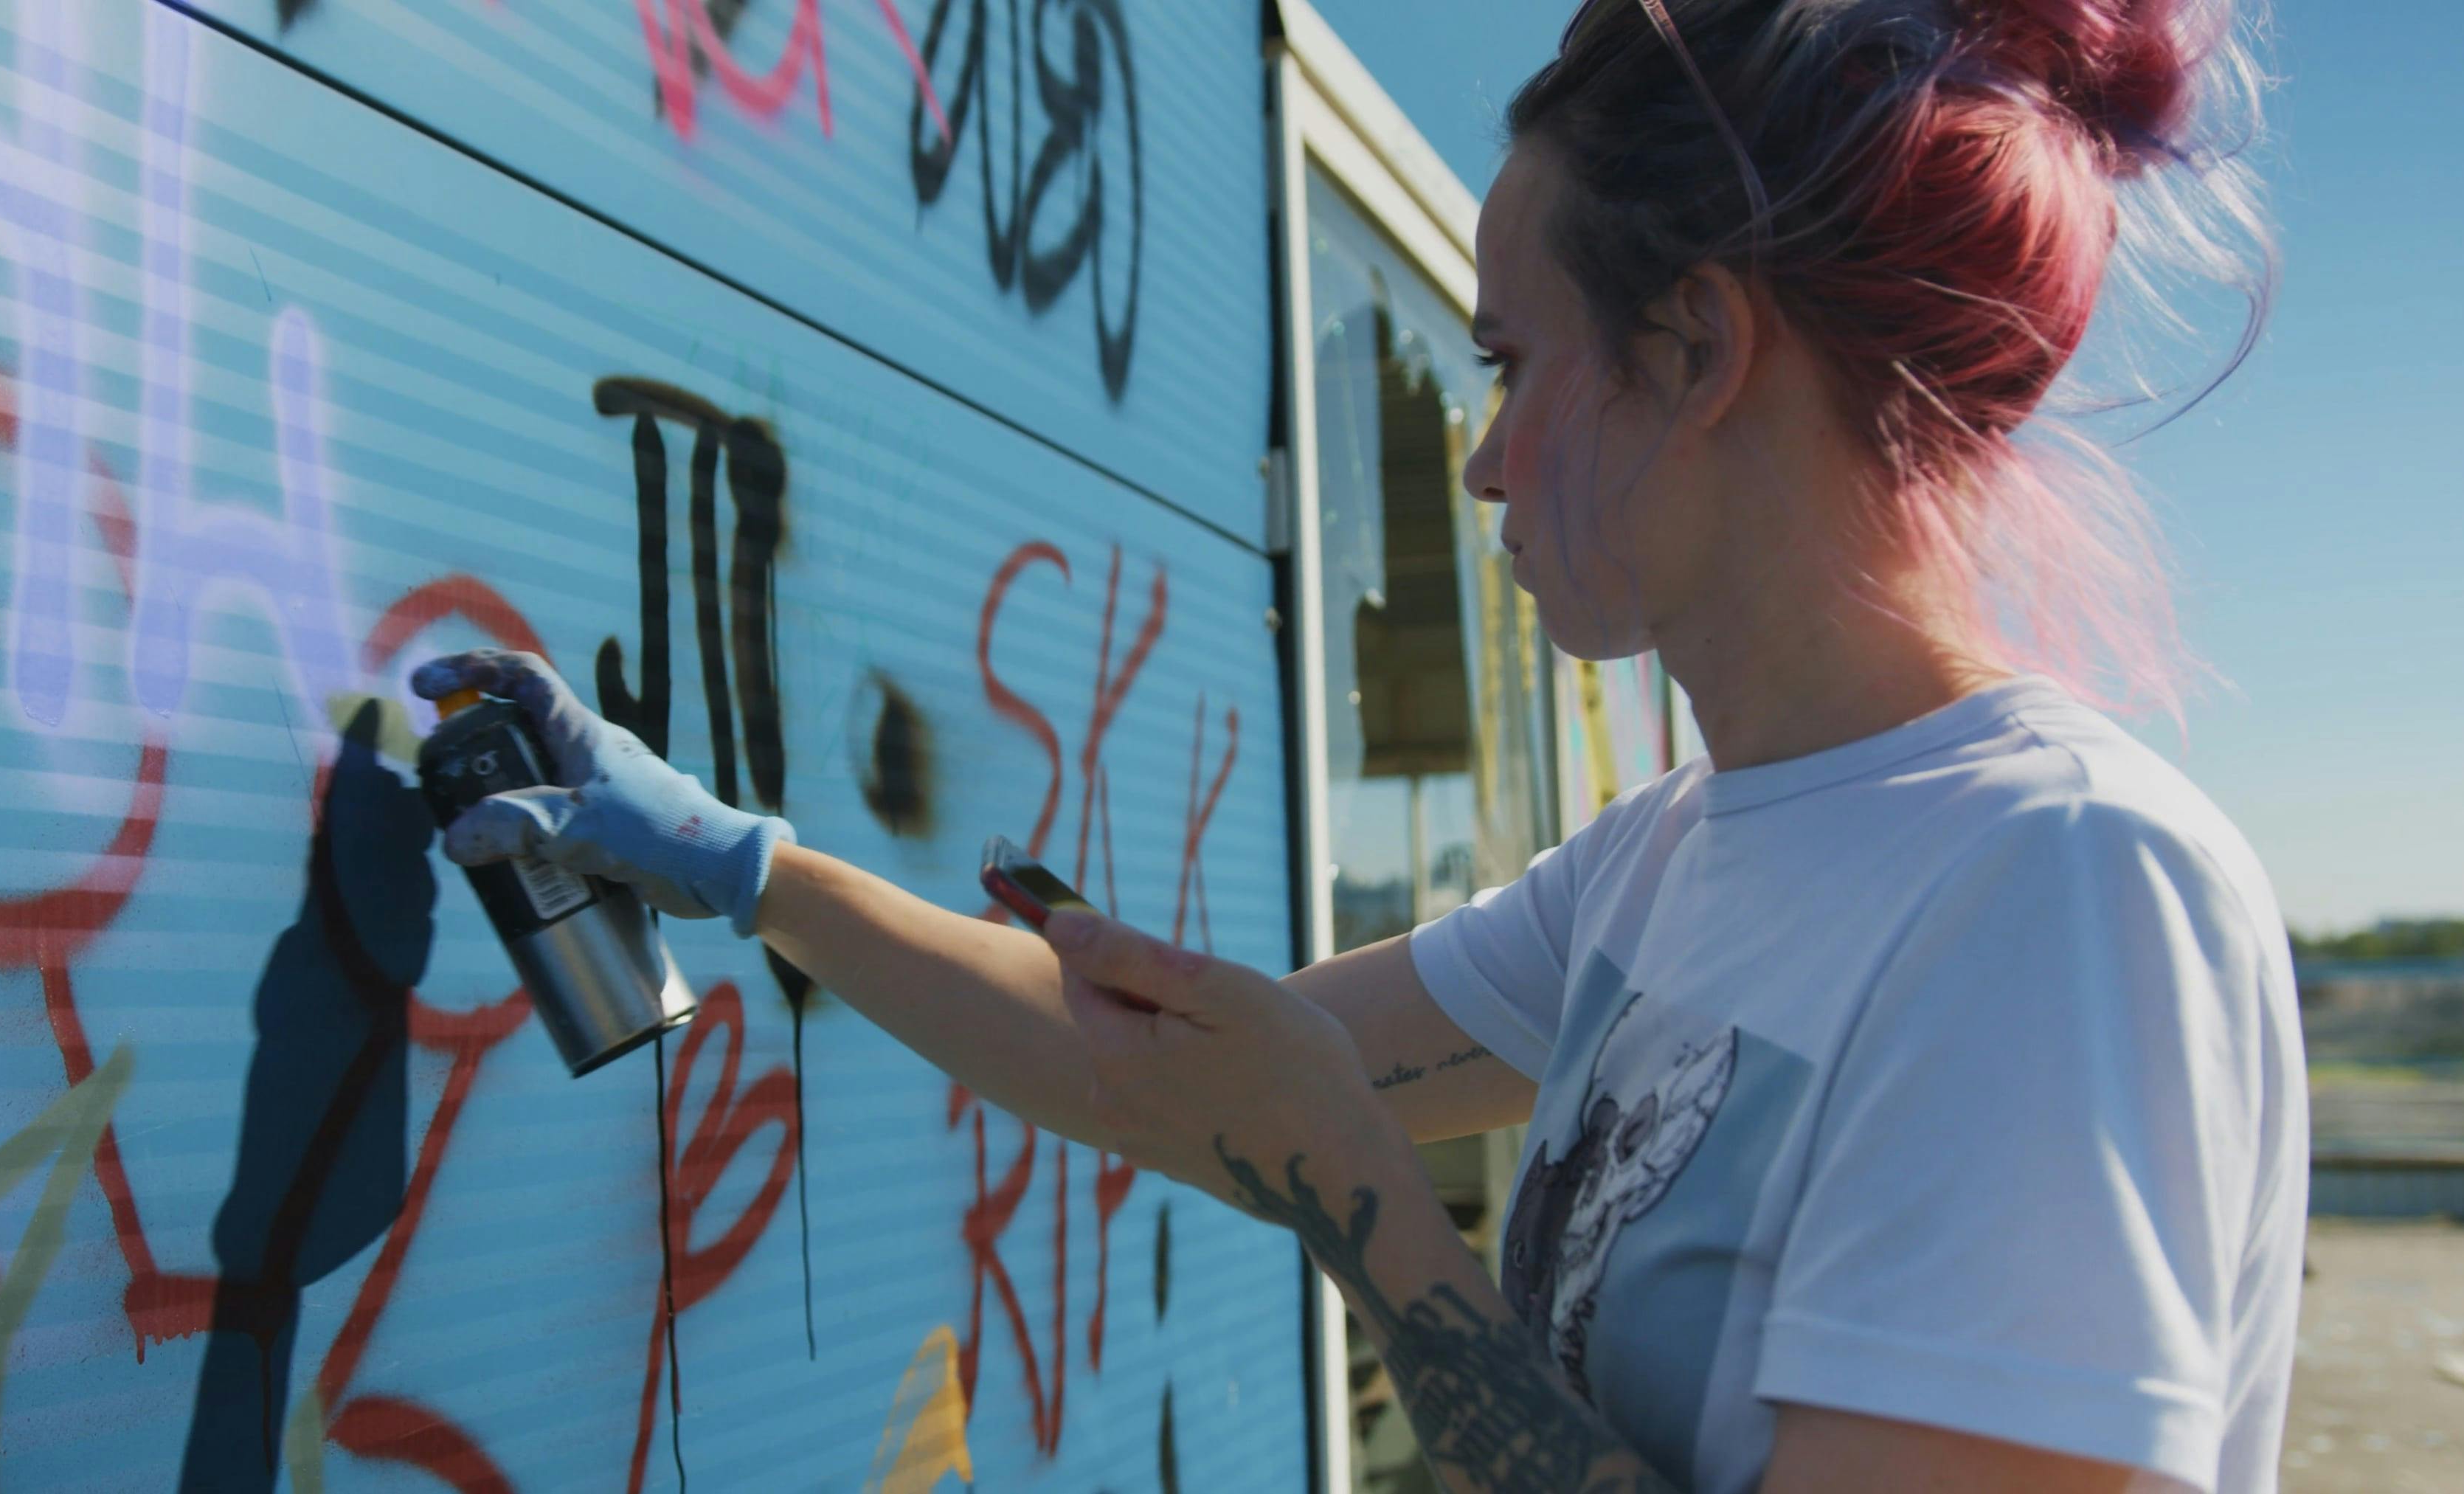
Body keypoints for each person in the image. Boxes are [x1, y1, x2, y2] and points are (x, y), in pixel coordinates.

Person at [412, 0, 2300, 1487]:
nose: (1477, 453)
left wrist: (1371, 1211)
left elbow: (1304, 1127)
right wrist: (757, 870)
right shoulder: (1660, 866)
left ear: (1700, 350)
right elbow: (1170, 1068)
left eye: (1508, 362)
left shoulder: (2057, 891)